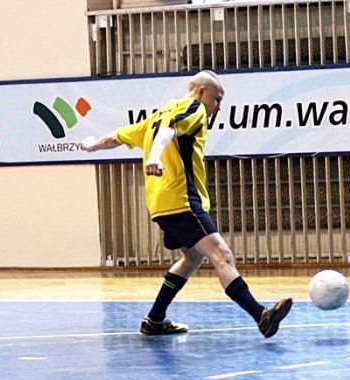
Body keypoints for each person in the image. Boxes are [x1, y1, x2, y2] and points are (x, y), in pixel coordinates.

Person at [81, 70, 292, 337]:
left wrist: (93, 145)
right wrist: (154, 157)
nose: (218, 107)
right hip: (182, 199)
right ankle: (261, 315)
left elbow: (119, 137)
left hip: (160, 203)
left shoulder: (160, 114)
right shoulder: (194, 109)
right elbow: (168, 132)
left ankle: (155, 319)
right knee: (221, 255)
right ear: (201, 91)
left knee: (192, 257)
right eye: (217, 99)